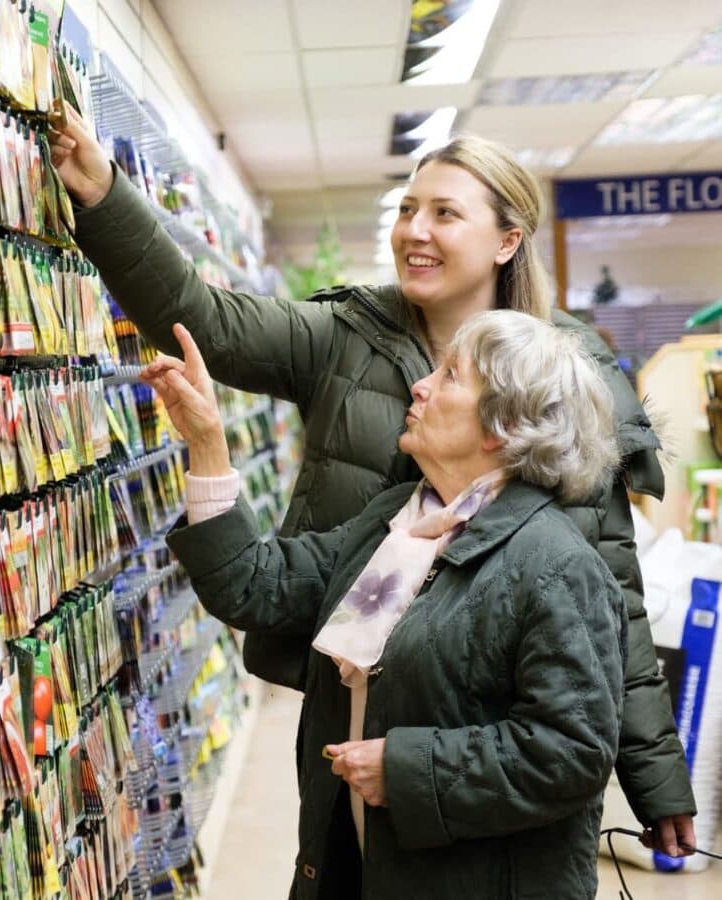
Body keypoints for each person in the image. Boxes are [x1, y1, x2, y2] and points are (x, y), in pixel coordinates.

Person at [49, 110, 697, 852]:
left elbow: (613, 589)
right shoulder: (347, 335)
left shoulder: (567, 377)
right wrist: (104, 197)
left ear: (508, 240)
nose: (414, 231)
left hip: (490, 722)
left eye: (445, 213)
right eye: (408, 209)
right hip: (352, 706)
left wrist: (654, 772)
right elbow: (206, 322)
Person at [144, 312, 625, 899]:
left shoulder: (555, 566)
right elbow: (257, 583)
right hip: (360, 865)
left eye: (450, 376)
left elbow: (571, 752)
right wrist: (207, 444)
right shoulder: (396, 520)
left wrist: (405, 770)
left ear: (501, 424)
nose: (421, 384)